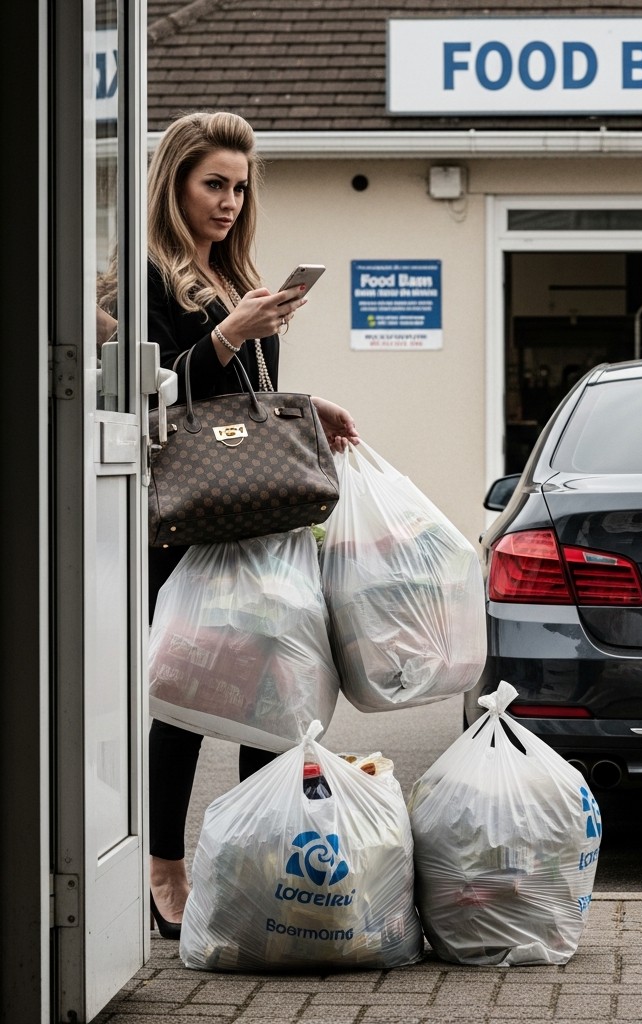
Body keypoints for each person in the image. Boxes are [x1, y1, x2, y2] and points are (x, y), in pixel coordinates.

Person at [145, 110, 359, 940]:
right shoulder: (147, 285)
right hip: (185, 527)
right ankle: (164, 866)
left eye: (239, 187)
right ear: (176, 185)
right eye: (213, 185)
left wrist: (307, 407)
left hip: (257, 522)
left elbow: (241, 411)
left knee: (267, 692)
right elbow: (153, 404)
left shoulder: (239, 280)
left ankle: (250, 858)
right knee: (185, 695)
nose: (230, 201)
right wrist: (231, 333)